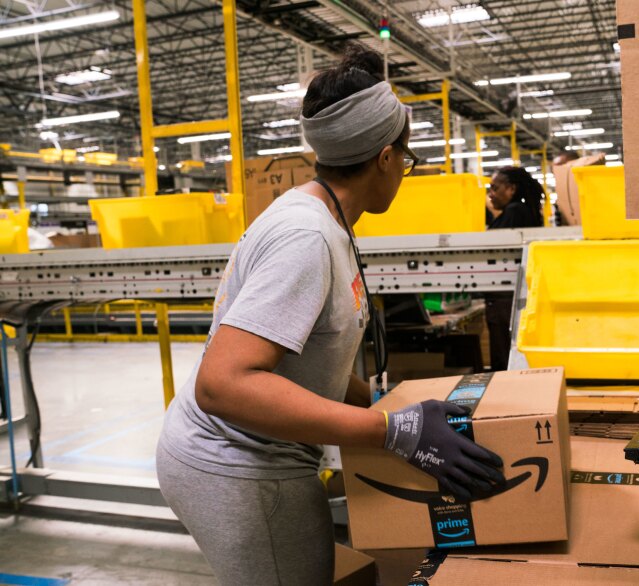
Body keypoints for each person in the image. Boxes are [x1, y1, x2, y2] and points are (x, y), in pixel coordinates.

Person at [156, 44, 504, 586]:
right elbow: (223, 385)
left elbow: (311, 359)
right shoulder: (306, 237)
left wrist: (390, 404)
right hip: (238, 463)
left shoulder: (326, 220)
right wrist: (392, 431)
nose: (405, 172)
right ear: (386, 158)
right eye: (407, 160)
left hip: (263, 454)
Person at [484, 166, 544, 371]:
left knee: (502, 360)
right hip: (511, 294)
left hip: (504, 297)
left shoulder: (514, 211)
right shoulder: (524, 211)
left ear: (511, 189)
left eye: (494, 188)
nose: (490, 194)